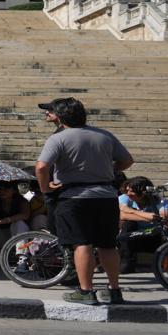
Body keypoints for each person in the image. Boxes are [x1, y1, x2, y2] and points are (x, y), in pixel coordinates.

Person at [34, 96, 133, 304]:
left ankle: (86, 291)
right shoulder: (104, 135)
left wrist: (45, 187)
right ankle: (114, 290)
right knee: (108, 245)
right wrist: (109, 170)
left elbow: (42, 167)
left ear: (60, 117)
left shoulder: (59, 138)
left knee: (82, 244)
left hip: (74, 198)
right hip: (106, 196)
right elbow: (126, 160)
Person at [117, 176, 168, 273]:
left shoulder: (160, 200)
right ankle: (127, 262)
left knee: (167, 226)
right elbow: (123, 215)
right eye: (127, 190)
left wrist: (131, 211)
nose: (128, 194)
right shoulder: (124, 198)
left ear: (143, 192)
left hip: (153, 235)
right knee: (128, 223)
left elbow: (163, 218)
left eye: (132, 191)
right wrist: (149, 216)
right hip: (133, 236)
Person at [0, 180, 31, 256]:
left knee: (19, 223)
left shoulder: (22, 201)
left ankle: (22, 256)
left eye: (6, 189)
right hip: (1, 235)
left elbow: (25, 215)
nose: (2, 191)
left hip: (17, 235)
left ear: (14, 190)